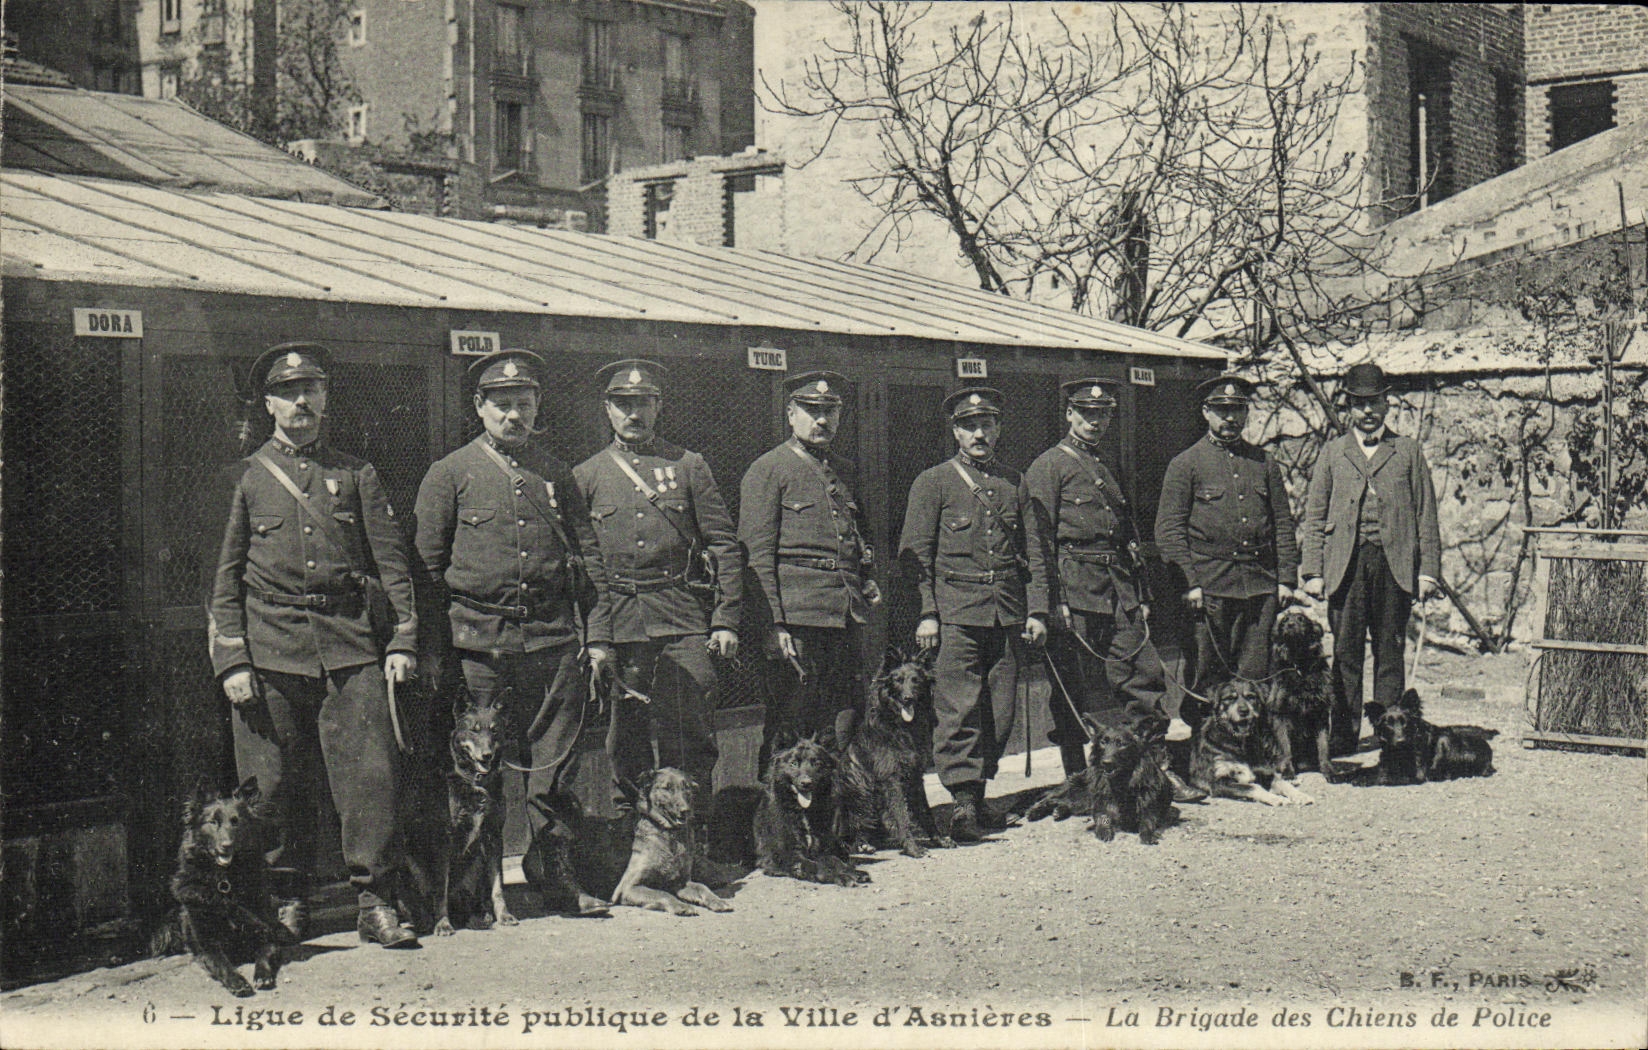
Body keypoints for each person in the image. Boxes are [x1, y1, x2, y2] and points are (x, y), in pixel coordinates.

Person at [208, 342, 419, 949]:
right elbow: (222, 581)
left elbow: (392, 562)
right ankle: (285, 901)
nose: (302, 402)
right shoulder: (244, 478)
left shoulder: (356, 475)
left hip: (350, 647)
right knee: (272, 785)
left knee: (370, 780)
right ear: (269, 404)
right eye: (289, 393)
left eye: (313, 391)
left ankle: (376, 901)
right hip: (270, 652)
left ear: (326, 400)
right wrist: (232, 660)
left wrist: (402, 638)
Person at [412, 348, 608, 916]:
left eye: (524, 403)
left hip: (552, 642)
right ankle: (475, 887)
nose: (514, 415)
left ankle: (555, 870)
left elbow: (588, 557)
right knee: (479, 768)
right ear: (479, 406)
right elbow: (425, 570)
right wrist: (430, 649)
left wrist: (595, 637)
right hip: (478, 644)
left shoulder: (555, 473)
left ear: (537, 405)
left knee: (553, 768)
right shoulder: (448, 474)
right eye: (502, 404)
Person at [573, 359, 743, 816]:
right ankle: (634, 837)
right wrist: (598, 636)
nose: (634, 414)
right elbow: (585, 563)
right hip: (621, 619)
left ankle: (694, 836)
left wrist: (725, 619)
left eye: (643, 403)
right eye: (623, 404)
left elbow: (724, 544)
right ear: (607, 409)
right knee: (625, 736)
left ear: (659, 406)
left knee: (690, 733)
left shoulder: (688, 466)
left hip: (681, 616)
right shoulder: (586, 476)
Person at [1026, 377, 1205, 802]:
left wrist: (1140, 593)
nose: (1095, 422)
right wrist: (1052, 602)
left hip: (1118, 588)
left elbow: (1126, 534)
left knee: (1143, 675)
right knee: (1073, 687)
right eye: (1086, 413)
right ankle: (1078, 781)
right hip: (1074, 589)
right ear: (1069, 413)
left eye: (1103, 414)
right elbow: (1039, 541)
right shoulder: (1048, 467)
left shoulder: (1107, 465)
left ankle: (1156, 771)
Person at [898, 387, 1048, 841]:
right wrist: (927, 613)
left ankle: (979, 795)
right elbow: (915, 555)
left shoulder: (1013, 483)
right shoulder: (934, 482)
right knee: (958, 710)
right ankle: (962, 803)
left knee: (999, 713)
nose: (979, 433)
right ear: (956, 431)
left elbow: (1034, 554)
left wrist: (1036, 609)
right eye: (969, 426)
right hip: (956, 615)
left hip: (1005, 614)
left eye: (987, 424)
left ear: (999, 428)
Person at [738, 371, 881, 764]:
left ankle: (835, 816)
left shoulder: (845, 471)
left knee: (843, 720)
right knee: (790, 723)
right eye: (811, 410)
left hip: (844, 615)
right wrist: (774, 624)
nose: (822, 420)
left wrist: (865, 579)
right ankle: (778, 818)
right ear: (790, 414)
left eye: (830, 411)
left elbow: (857, 538)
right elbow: (756, 556)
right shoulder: (769, 469)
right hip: (797, 619)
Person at [1300, 362, 1441, 755]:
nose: (1367, 411)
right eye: (1359, 403)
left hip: (1394, 566)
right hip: (1345, 566)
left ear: (1387, 404)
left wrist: (1428, 572)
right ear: (1348, 406)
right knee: (1345, 653)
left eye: (1374, 402)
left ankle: (1391, 734)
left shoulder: (1408, 452)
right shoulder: (1333, 453)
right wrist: (1312, 570)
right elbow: (1315, 515)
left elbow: (1426, 515)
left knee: (1389, 652)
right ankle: (1343, 734)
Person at [1155, 373, 1299, 730]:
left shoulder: (1264, 463)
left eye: (1238, 409)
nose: (1230, 418)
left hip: (1260, 587)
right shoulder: (1185, 464)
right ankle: (1205, 749)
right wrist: (1190, 584)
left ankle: (1250, 750)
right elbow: (1169, 531)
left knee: (1253, 675)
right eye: (1222, 410)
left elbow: (1282, 523)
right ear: (1206, 412)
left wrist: (1286, 580)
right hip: (1210, 589)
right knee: (1208, 675)